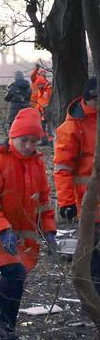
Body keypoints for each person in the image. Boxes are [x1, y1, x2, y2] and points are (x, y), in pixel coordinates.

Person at [0, 108, 56, 340]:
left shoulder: (37, 164)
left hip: (20, 237)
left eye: (33, 141)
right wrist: (2, 229)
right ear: (12, 137)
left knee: (17, 279)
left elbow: (43, 202)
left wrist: (49, 231)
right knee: (15, 275)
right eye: (24, 140)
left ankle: (3, 325)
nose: (29, 145)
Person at [54, 77, 97, 235]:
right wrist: (67, 202)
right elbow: (62, 168)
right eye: (95, 100)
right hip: (90, 203)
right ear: (88, 99)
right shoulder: (72, 128)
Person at [30, 64, 54, 144]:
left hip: (44, 107)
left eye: (44, 74)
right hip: (36, 105)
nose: (43, 75)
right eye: (42, 74)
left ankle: (49, 140)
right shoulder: (36, 81)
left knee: (48, 124)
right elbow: (32, 76)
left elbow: (48, 98)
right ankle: (43, 139)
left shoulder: (47, 86)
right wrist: (36, 69)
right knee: (41, 124)